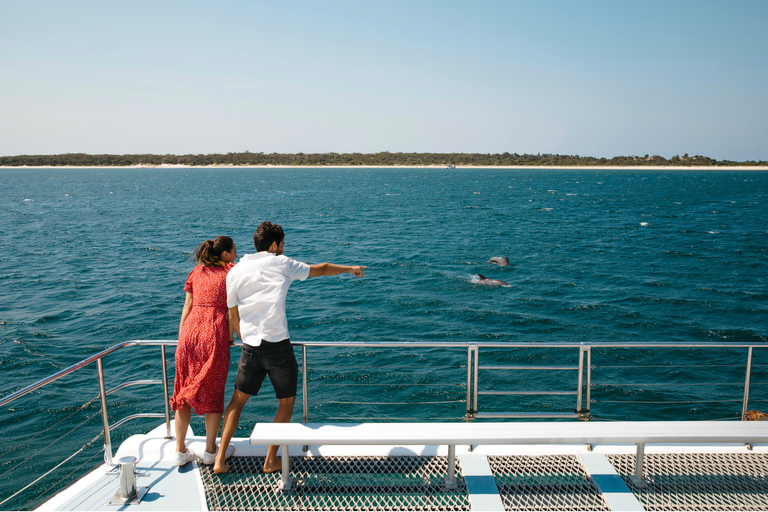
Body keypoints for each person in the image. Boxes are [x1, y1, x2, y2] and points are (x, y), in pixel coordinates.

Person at [213, 221, 365, 475]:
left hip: (250, 348)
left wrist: (245, 338)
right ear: (273, 245)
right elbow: (322, 269)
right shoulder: (280, 264)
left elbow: (233, 316)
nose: (284, 248)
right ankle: (270, 460)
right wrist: (350, 268)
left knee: (237, 402)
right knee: (286, 402)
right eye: (282, 244)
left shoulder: (234, 272)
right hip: (277, 347)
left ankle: (219, 461)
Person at [170, 236, 238, 467]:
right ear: (225, 254)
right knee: (214, 391)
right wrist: (230, 336)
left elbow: (187, 306)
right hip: (214, 332)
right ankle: (210, 451)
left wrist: (182, 338)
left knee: (183, 394)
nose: (237, 253)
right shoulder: (230, 274)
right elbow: (231, 310)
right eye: (234, 250)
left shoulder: (196, 272)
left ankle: (180, 451)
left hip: (189, 333)